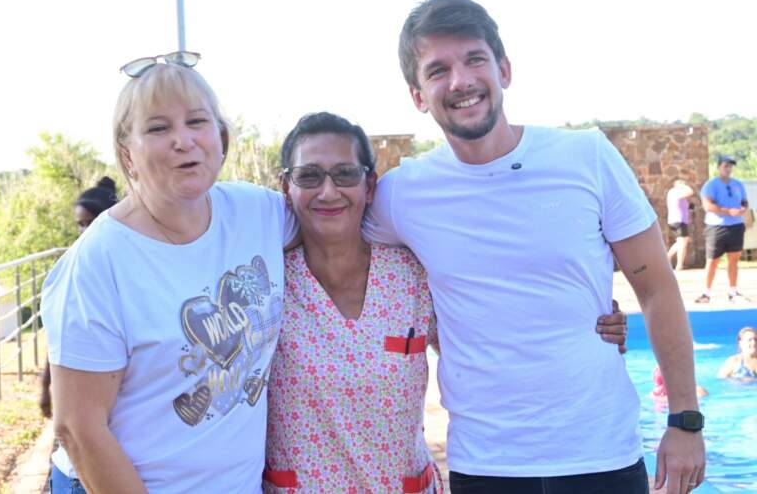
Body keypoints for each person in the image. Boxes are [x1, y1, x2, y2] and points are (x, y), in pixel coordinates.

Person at [364, 0, 705, 494]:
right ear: (417, 95)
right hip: (487, 463)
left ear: (503, 69)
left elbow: (657, 288)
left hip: (601, 452)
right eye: (438, 70)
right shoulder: (403, 194)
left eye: (474, 59)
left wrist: (684, 419)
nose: (460, 81)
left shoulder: (586, 157)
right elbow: (330, 247)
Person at [264, 112, 629, 493]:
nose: (328, 191)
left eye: (345, 174)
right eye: (309, 176)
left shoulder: (411, 277)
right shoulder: (266, 284)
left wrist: (583, 319)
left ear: (370, 185)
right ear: (286, 186)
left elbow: (493, 332)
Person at [42, 54, 296, 493]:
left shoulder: (259, 213)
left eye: (196, 121)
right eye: (159, 128)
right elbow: (78, 429)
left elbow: (344, 222)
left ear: (220, 137)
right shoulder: (98, 262)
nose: (184, 140)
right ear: (128, 154)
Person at [39, 177, 118, 419]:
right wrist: (45, 386)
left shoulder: (130, 263)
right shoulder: (76, 267)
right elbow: (61, 333)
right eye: (80, 224)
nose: (84, 231)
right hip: (88, 381)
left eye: (90, 222)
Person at [695, 155, 750, 303]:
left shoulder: (738, 184)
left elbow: (744, 202)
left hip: (736, 226)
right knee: (712, 261)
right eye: (725, 165)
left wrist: (742, 209)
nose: (728, 168)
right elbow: (708, 206)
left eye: (730, 166)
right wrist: (729, 211)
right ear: (719, 167)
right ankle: (706, 293)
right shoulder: (711, 185)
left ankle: (733, 292)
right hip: (716, 227)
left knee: (734, 260)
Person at [666, 179, 695, 270]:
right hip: (678, 220)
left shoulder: (674, 193)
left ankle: (668, 257)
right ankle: (679, 264)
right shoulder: (675, 192)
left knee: (682, 241)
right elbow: (691, 192)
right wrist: (683, 186)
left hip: (678, 220)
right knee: (683, 242)